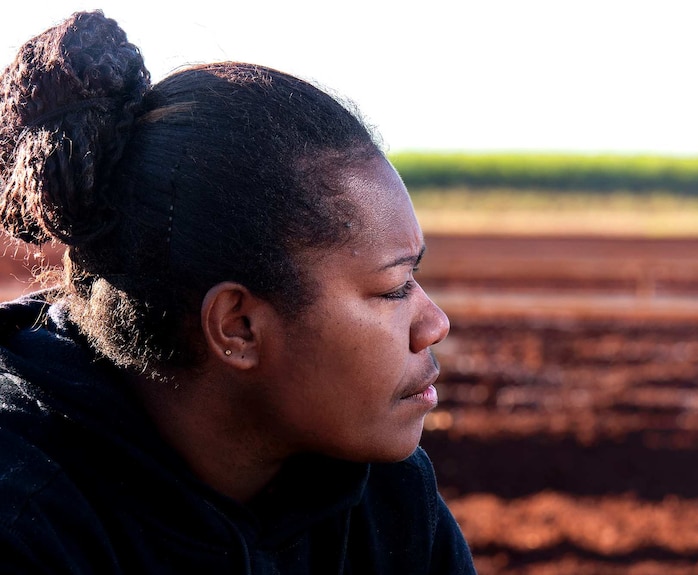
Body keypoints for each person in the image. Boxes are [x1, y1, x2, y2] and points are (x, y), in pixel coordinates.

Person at [0, 10, 476, 574]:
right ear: (238, 326)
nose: (434, 324)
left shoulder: (384, 497)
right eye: (395, 288)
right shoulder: (26, 522)